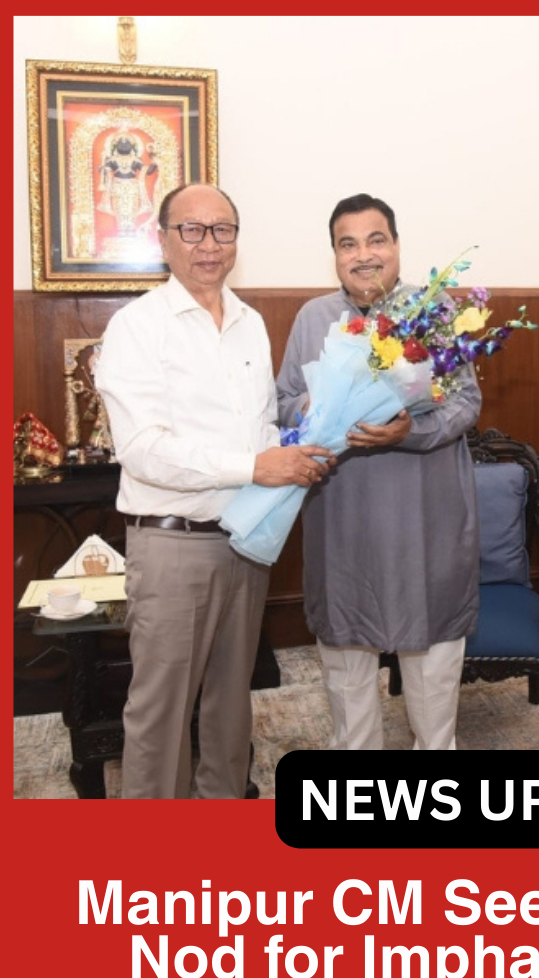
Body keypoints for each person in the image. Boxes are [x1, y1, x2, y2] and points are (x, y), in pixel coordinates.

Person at [95, 183, 334, 798]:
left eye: (223, 230)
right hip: (173, 545)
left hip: (247, 539)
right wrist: (256, 467)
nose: (209, 244)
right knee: (161, 715)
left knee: (231, 707)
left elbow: (261, 428)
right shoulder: (137, 326)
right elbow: (144, 450)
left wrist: (302, 446)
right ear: (163, 240)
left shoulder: (251, 323)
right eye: (192, 230)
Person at [277, 193, 481, 751]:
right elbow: (285, 400)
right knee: (347, 660)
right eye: (348, 244)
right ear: (334, 255)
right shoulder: (314, 318)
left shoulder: (433, 311)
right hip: (344, 514)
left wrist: (407, 430)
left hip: (424, 512)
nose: (363, 255)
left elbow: (466, 403)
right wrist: (322, 408)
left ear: (396, 245)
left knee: (432, 660)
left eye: (376, 240)